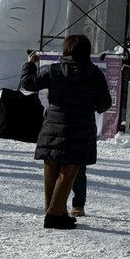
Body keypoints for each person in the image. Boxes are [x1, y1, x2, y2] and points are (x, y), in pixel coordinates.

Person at [20, 35, 113, 229]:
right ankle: (54, 215)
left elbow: (29, 84)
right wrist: (91, 104)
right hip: (79, 128)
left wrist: (30, 64)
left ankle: (55, 211)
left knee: (51, 170)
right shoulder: (95, 74)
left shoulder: (54, 70)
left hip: (52, 126)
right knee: (68, 173)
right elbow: (105, 104)